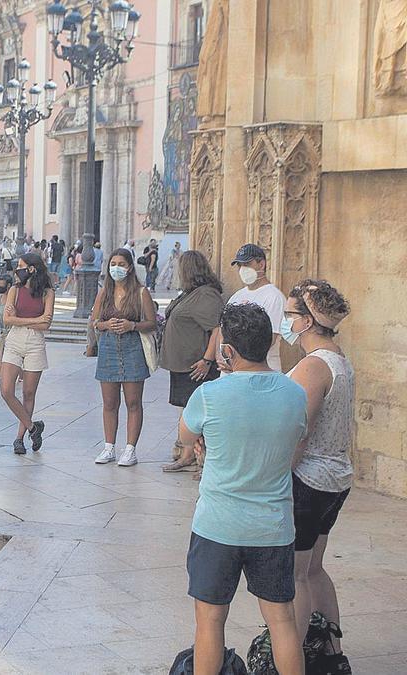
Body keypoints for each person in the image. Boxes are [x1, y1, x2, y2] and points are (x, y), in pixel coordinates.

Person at [179, 303, 307, 675]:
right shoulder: (294, 393)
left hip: (218, 526)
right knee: (281, 619)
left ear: (228, 350)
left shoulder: (210, 395)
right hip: (272, 525)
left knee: (210, 621)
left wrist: (206, 440)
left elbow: (186, 437)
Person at [284, 280, 353, 652]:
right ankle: (332, 650)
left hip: (309, 481)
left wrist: (275, 476)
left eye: (291, 315)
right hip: (334, 479)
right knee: (314, 569)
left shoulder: (314, 366)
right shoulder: (337, 356)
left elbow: (301, 432)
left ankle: (289, 657)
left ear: (308, 321)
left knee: (295, 575)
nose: (287, 321)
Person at [89, 249, 156, 468]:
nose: (116, 267)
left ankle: (130, 449)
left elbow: (152, 323)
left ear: (129, 267)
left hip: (132, 347)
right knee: (109, 402)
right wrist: (105, 325)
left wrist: (132, 325)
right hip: (108, 347)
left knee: (133, 401)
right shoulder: (104, 293)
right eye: (113, 263)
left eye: (121, 263)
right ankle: (109, 447)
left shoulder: (140, 293)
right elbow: (95, 322)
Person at [160, 251, 224, 473]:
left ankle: (204, 461)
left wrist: (207, 359)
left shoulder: (206, 295)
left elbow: (217, 328)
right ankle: (187, 455)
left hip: (197, 366)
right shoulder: (190, 293)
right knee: (189, 412)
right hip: (182, 364)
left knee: (200, 414)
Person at [0, 252, 55, 455]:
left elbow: (47, 323)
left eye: (21, 266)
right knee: (6, 390)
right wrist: (35, 320)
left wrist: (21, 319)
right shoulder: (15, 289)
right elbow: (7, 319)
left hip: (35, 343)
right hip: (15, 340)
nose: (17, 270)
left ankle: (19, 437)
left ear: (32, 269)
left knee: (28, 393)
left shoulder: (47, 293)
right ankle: (33, 427)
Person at [205, 243, 287, 372]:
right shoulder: (237, 296)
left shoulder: (274, 297)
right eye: (240, 265)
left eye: (247, 264)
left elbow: (269, 338)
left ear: (261, 264)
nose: (242, 269)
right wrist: (221, 357)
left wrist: (237, 362)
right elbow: (222, 330)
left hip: (259, 373)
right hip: (232, 372)